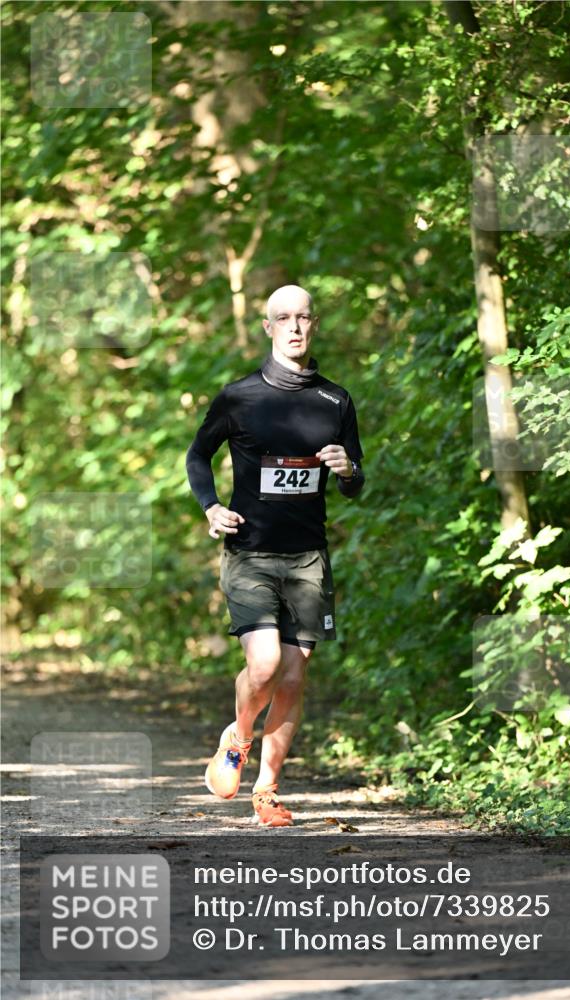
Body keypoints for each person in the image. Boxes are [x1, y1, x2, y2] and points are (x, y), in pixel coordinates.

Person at [185, 284, 365, 826]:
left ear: (314, 325)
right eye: (282, 318)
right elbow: (198, 453)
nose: (294, 326)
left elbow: (354, 484)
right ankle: (238, 736)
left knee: (291, 678)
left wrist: (347, 468)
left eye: (303, 317)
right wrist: (211, 507)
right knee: (262, 665)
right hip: (251, 552)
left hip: (308, 557)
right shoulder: (240, 397)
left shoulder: (336, 401)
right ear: (267, 328)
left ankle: (267, 789)